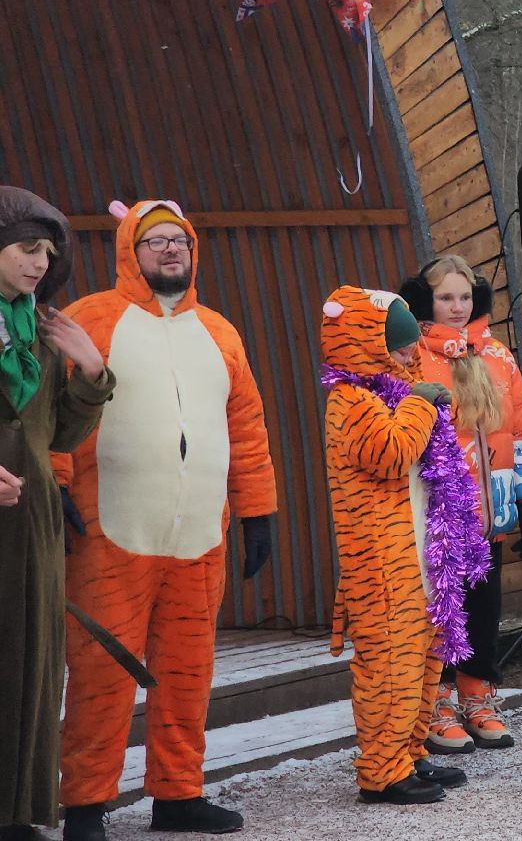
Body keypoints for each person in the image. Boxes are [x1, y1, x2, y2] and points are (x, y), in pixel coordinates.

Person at [53, 201, 279, 841]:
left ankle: (178, 794)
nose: (169, 251)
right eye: (153, 242)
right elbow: (52, 404)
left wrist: (258, 509)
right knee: (100, 672)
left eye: (177, 240)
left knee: (188, 671)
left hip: (199, 533)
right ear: (129, 250)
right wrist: (58, 480)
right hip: (109, 534)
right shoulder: (91, 318)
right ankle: (86, 806)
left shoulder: (221, 331)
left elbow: (247, 425)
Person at [319, 286, 491, 806]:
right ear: (365, 343)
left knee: (422, 661)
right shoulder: (350, 400)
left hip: (419, 554)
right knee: (389, 667)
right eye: (395, 347)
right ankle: (381, 771)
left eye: (409, 345)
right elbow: (390, 453)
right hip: (380, 562)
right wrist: (419, 405)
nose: (407, 355)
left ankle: (411, 754)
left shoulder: (395, 388)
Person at [0, 187, 113, 841]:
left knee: (34, 663)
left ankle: (18, 811)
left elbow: (59, 435)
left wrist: (92, 370)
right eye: (25, 248)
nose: (40, 262)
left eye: (48, 252)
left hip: (33, 514)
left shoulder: (39, 329)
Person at [400, 255, 522, 754]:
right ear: (427, 301)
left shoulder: (498, 357)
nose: (457, 307)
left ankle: (477, 694)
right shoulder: (411, 356)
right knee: (444, 606)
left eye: (465, 297)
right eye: (446, 297)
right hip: (439, 509)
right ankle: (436, 700)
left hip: (493, 507)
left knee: (483, 606)